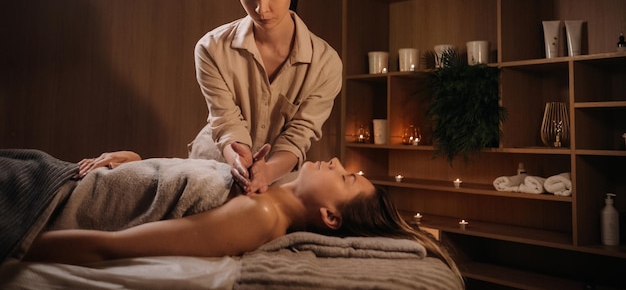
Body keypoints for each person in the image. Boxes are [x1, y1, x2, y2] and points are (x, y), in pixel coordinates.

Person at [22, 150, 463, 287]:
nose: (334, 160)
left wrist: (21, 245)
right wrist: (133, 159)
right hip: (65, 174)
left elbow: (114, 245)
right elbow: (171, 185)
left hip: (40, 200)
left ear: (331, 217)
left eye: (346, 177)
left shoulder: (261, 216)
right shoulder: (259, 184)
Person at [188, 0, 342, 194]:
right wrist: (238, 159)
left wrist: (267, 172)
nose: (261, 8)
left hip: (278, 173)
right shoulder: (211, 48)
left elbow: (298, 135)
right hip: (215, 166)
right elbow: (225, 120)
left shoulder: (325, 64)